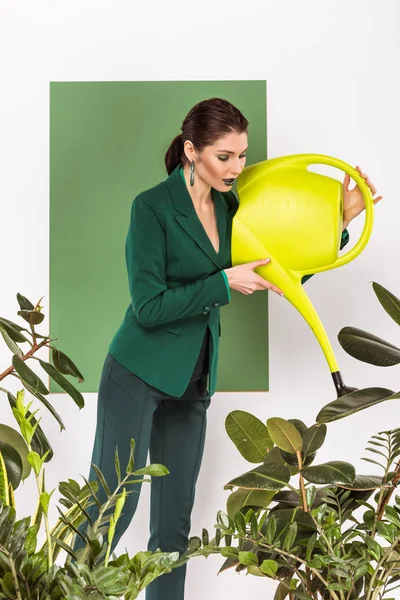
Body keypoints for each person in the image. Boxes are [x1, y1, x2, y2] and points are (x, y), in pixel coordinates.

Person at [82, 98, 382, 600]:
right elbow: (149, 306)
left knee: (174, 521)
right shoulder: (151, 207)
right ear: (190, 150)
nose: (237, 168)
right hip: (136, 371)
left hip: (193, 379)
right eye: (225, 157)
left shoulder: (232, 205)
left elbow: (276, 272)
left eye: (242, 155)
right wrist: (223, 282)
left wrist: (343, 220)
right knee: (112, 508)